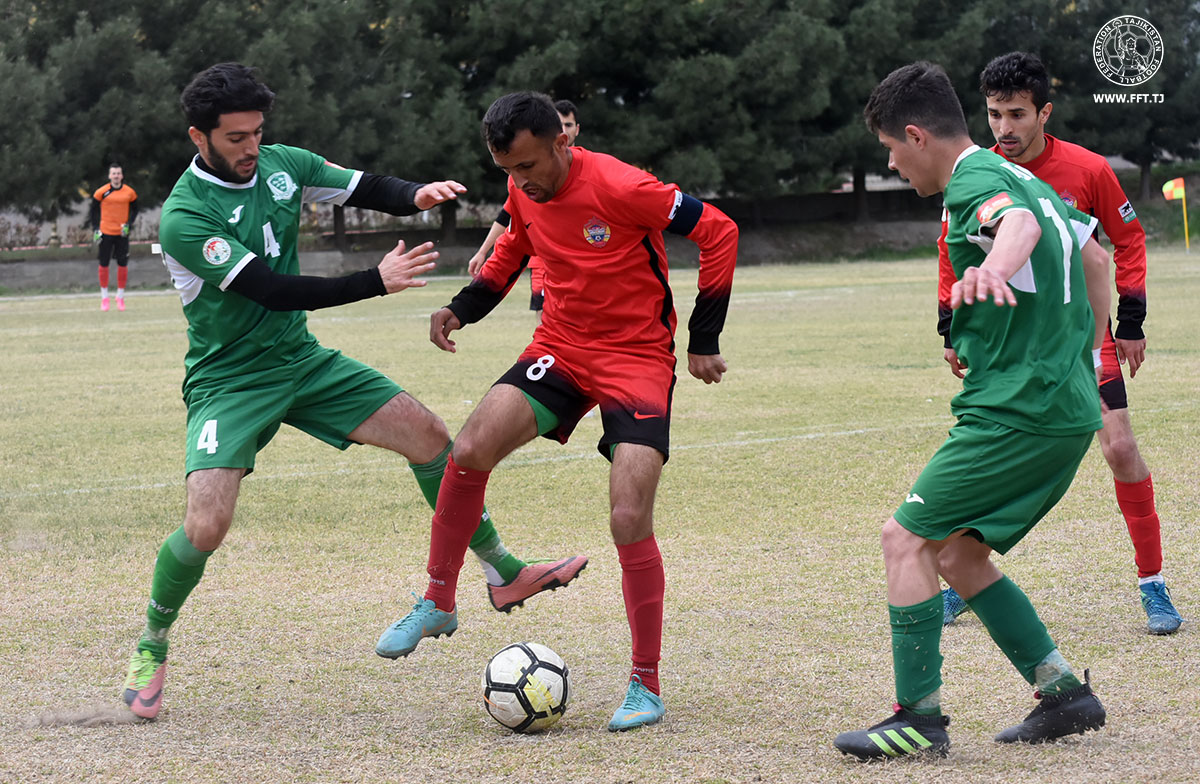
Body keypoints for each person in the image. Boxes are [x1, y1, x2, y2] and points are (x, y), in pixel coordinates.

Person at [121, 64, 585, 721]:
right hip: (230, 380)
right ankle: (152, 643)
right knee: (207, 524)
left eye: (257, 132)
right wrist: (379, 279)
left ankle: (501, 571)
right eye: (234, 138)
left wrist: (418, 194)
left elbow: (358, 185)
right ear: (199, 137)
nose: (252, 148)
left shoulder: (280, 163)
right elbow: (272, 290)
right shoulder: (184, 219)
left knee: (433, 441)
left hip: (301, 361)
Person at [377, 92, 738, 732]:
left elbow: (718, 230)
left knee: (628, 515)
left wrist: (703, 340)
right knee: (467, 451)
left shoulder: (625, 186)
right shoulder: (524, 192)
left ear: (562, 144)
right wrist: (461, 307)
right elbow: (511, 253)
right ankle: (437, 597)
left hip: (635, 358)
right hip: (562, 348)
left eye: (528, 168)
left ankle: (645, 685)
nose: (519, 184)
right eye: (507, 172)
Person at [836, 61, 1111, 760]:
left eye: (890, 150)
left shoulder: (978, 183)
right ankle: (1062, 692)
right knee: (958, 553)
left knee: (905, 540)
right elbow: (1097, 260)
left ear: (917, 134)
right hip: (1059, 404)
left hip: (1019, 410)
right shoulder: (1020, 173)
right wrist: (1085, 360)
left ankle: (917, 719)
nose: (893, 164)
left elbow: (1012, 226)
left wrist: (992, 267)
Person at [936, 52, 1182, 635]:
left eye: (1017, 114)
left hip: (1082, 338)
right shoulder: (977, 175)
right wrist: (950, 329)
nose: (1004, 129)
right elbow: (950, 252)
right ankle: (970, 574)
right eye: (994, 115)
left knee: (1119, 449)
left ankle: (1153, 583)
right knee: (995, 457)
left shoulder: (1089, 169)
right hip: (1012, 346)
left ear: (1044, 111)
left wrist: (1131, 320)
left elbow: (1127, 239)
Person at [466, 99, 582, 324]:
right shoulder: (523, 177)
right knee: (547, 318)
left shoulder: (593, 173)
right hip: (543, 262)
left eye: (569, 125)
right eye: (560, 123)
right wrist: (483, 251)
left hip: (578, 265)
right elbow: (508, 216)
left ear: (576, 130)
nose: (518, 179)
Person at [90, 162, 138, 311]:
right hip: (105, 232)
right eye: (114, 173)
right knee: (104, 263)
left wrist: (129, 224)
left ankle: (120, 296)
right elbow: (93, 211)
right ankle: (104, 297)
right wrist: (96, 229)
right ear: (110, 176)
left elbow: (135, 209)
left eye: (118, 173)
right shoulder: (101, 192)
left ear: (122, 176)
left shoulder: (129, 192)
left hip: (122, 234)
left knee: (122, 263)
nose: (116, 176)